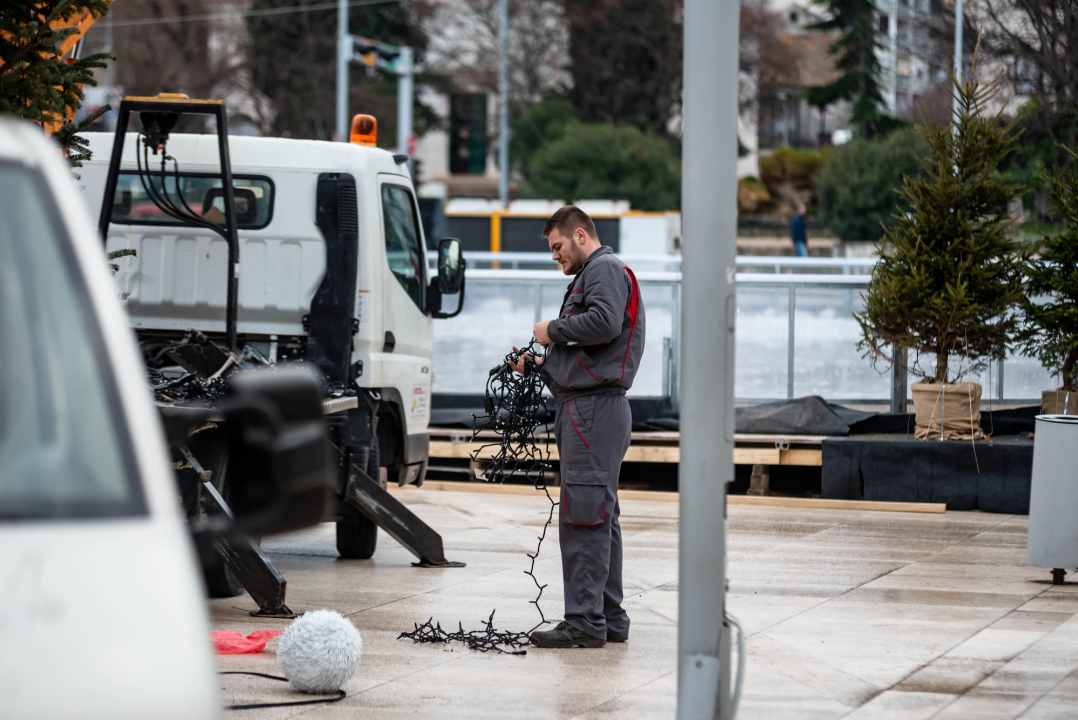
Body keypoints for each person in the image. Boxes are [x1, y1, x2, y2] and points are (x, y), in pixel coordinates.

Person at [508, 205, 645, 649]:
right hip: (594, 408)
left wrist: (552, 329)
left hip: (592, 412)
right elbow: (591, 353)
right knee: (600, 515)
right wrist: (538, 364)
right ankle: (609, 617)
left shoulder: (602, 268)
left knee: (585, 514)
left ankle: (585, 623)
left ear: (580, 235)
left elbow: (604, 323)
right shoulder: (600, 271)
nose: (555, 256)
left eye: (558, 246)